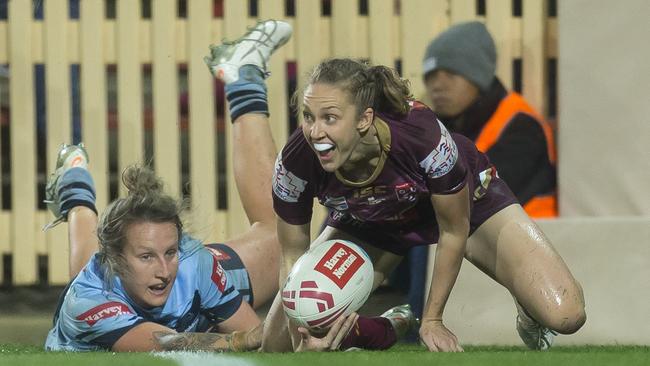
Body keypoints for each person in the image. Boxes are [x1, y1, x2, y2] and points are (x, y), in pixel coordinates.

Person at [44, 20, 414, 353]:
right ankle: (77, 188)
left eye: (170, 252)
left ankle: (75, 181)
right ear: (116, 261)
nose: (163, 270)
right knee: (85, 272)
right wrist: (243, 340)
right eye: (147, 258)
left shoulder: (194, 265)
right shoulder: (90, 302)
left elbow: (267, 343)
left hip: (150, 275)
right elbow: (161, 342)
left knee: (275, 236)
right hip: (103, 295)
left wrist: (304, 344)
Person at [260, 56, 586, 352]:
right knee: (278, 346)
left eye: (330, 118)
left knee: (566, 314)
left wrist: (433, 320)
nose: (316, 132)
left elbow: (454, 230)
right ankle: (391, 325)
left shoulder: (421, 134)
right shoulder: (295, 163)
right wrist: (299, 333)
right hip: (373, 223)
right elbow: (292, 253)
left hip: (465, 207)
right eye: (308, 116)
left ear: (364, 119)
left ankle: (528, 305)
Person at [422, 21, 557, 218]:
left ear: (478, 77)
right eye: (431, 76)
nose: (437, 85)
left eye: (450, 74)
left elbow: (476, 195)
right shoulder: (446, 126)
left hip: (534, 240)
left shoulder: (521, 125)